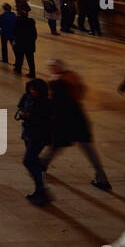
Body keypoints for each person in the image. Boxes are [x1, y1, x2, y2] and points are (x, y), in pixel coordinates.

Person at [42, 61, 112, 190]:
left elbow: (53, 103)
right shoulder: (73, 78)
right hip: (78, 119)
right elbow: (81, 92)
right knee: (88, 149)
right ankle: (102, 178)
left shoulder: (57, 83)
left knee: (56, 145)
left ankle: (43, 164)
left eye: (51, 67)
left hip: (64, 121)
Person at [16, 78, 54, 205]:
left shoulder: (46, 103)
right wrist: (22, 113)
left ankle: (41, 189)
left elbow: (46, 121)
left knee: (28, 161)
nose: (32, 91)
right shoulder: (27, 96)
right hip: (28, 133)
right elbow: (20, 106)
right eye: (31, 89)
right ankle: (40, 189)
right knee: (33, 160)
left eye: (34, 90)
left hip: (39, 135)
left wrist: (30, 116)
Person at [12, 6, 37, 77]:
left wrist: (15, 40)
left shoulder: (17, 21)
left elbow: (15, 32)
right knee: (30, 60)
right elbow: (34, 34)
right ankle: (32, 73)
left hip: (20, 43)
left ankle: (18, 69)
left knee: (19, 57)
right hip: (29, 44)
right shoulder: (31, 22)